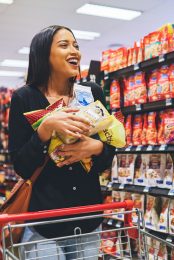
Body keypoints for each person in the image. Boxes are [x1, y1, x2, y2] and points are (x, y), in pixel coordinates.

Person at [8, 25, 115, 259]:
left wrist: (96, 147)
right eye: (64, 45)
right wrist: (44, 130)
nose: (74, 50)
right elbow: (21, 165)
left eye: (76, 45)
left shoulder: (92, 92)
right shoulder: (24, 98)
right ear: (44, 54)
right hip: (44, 223)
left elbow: (109, 147)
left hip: (88, 218)